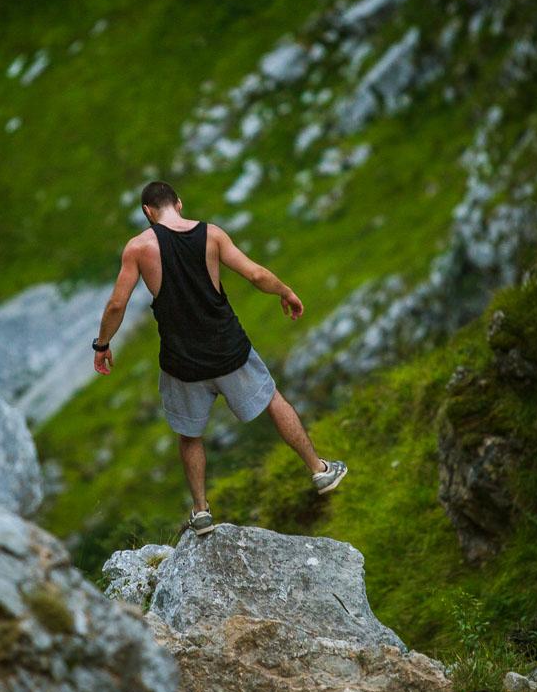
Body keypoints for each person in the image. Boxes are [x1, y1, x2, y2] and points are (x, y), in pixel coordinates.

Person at [92, 180, 347, 535]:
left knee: (190, 435)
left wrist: (102, 344)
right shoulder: (211, 235)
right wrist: (286, 292)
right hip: (228, 350)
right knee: (273, 399)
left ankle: (201, 513)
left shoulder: (138, 248)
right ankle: (319, 471)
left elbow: (117, 303)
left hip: (182, 362)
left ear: (147, 213)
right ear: (178, 204)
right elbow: (255, 274)